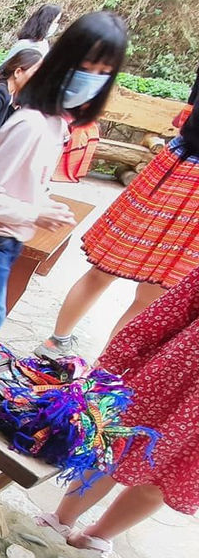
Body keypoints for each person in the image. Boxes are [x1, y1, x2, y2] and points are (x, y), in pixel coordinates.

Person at [0, 11, 128, 336]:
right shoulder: (30, 124)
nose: (91, 79)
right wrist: (35, 212)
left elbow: (26, 184)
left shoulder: (54, 124)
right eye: (85, 68)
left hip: (5, 235)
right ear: (58, 64)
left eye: (103, 72)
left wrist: (42, 205)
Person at [36, 64, 199, 357]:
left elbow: (185, 115)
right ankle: (104, 368)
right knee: (152, 293)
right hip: (189, 191)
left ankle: (57, 341)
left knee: (103, 271)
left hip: (170, 169)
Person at [38, 266, 199, 557]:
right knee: (117, 448)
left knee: (168, 477)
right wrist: (119, 357)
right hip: (174, 381)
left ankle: (97, 535)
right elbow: (173, 308)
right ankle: (61, 519)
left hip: (179, 383)